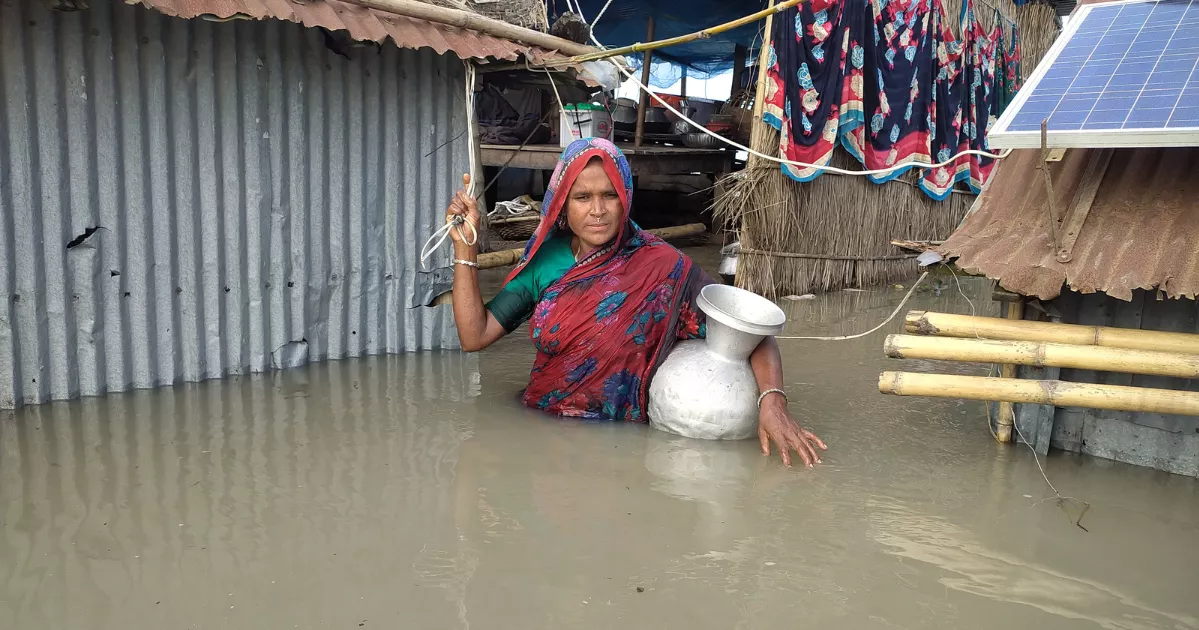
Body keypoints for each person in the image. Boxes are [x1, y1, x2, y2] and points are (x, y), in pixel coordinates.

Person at [445, 138, 826, 468]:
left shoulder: (666, 268)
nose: (597, 210)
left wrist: (772, 401)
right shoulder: (545, 263)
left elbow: (751, 333)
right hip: (538, 432)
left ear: (626, 195)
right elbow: (474, 336)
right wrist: (466, 248)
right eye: (582, 197)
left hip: (620, 450)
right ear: (562, 204)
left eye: (609, 194)